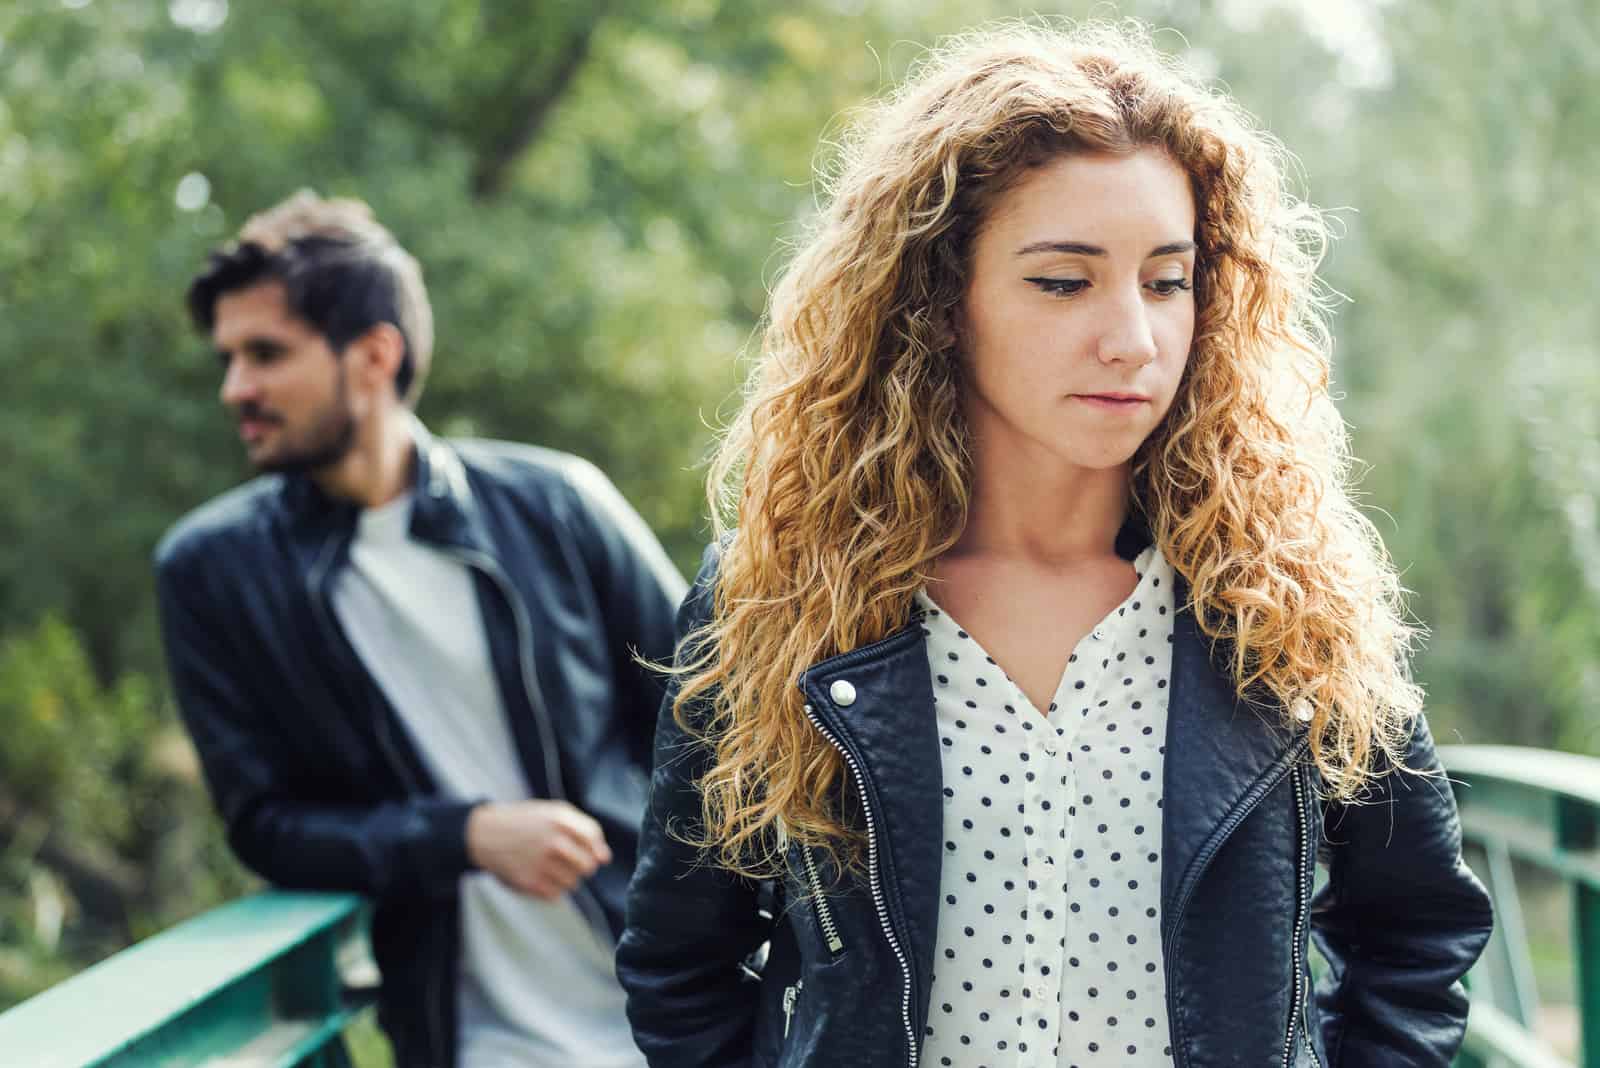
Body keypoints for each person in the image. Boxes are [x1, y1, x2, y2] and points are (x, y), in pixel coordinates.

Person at [615, 21, 1493, 1068]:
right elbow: (682, 963)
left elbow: (1416, 933)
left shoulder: (1282, 596)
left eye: (1166, 281)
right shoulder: (779, 597)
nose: (1132, 336)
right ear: (940, 303)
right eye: (1063, 281)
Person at [155, 191, 683, 1068]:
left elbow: (716, 726)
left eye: (266, 354)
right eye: (228, 358)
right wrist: (464, 835)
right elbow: (266, 826)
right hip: (467, 1039)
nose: (235, 388)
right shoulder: (213, 572)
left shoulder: (558, 504)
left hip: (676, 1019)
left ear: (373, 355)